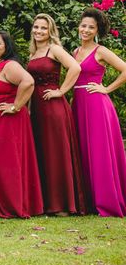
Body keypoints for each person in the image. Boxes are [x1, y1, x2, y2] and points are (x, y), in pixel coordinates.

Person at [0, 31, 43, 218]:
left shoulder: (9, 65)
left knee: (8, 164)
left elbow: (28, 82)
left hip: (5, 123)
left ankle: (12, 204)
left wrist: (16, 106)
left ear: (7, 47)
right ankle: (1, 203)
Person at [27, 13, 86, 215]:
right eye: (36, 27)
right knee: (43, 151)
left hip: (53, 107)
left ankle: (63, 205)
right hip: (37, 107)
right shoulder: (33, 53)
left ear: (50, 31)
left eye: (43, 28)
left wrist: (61, 91)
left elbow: (75, 68)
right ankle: (46, 202)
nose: (38, 31)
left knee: (56, 152)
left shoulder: (55, 49)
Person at [71, 8, 126, 217]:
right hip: (78, 104)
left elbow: (125, 69)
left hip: (96, 104)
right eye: (83, 25)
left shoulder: (100, 51)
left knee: (99, 151)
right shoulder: (75, 52)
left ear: (97, 31)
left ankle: (107, 201)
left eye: (90, 27)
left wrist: (106, 88)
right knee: (83, 150)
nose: (85, 30)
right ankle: (89, 201)